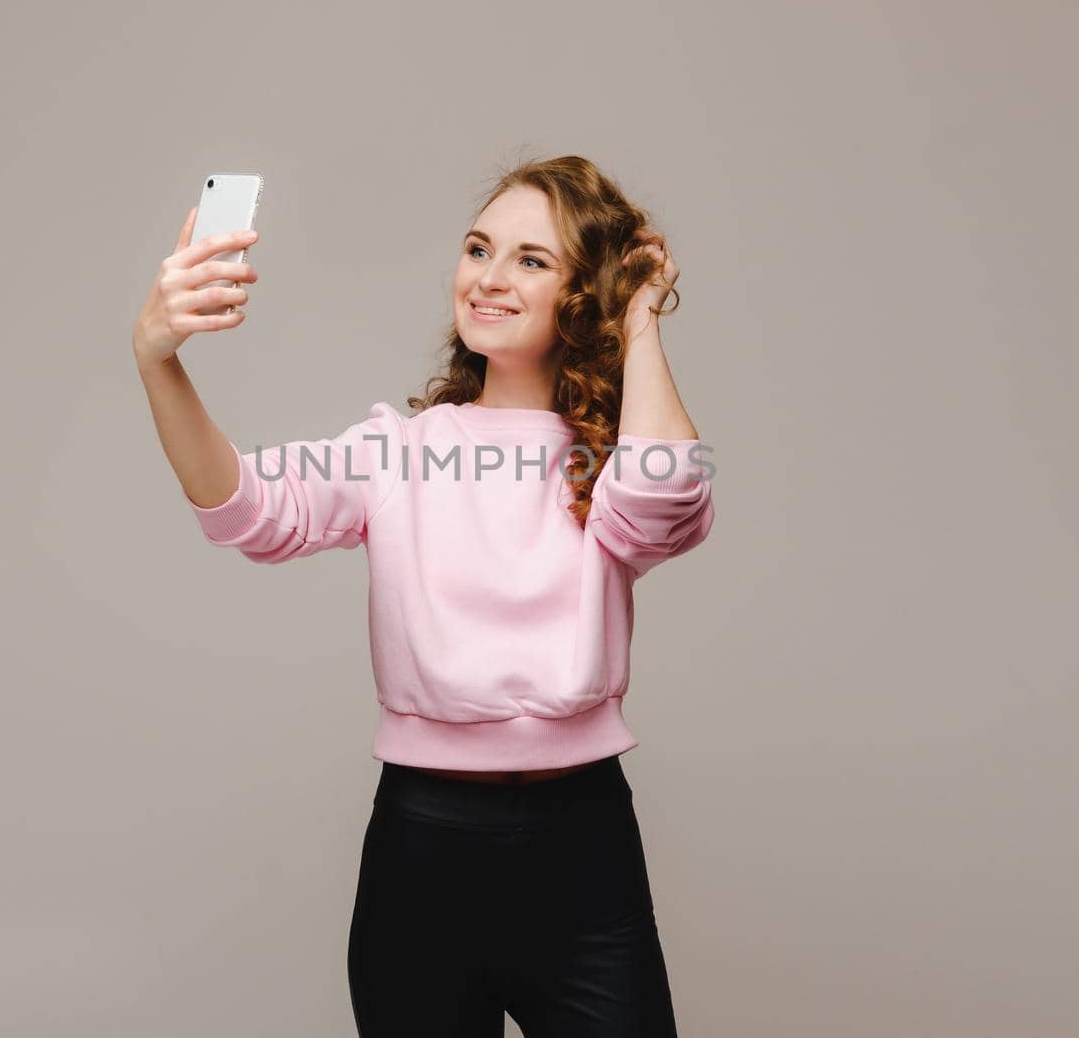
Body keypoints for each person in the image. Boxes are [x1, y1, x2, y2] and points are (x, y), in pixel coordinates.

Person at [133, 154, 715, 1036]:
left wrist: (639, 317)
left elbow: (668, 498)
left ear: (582, 292)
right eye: (479, 247)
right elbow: (248, 511)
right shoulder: (396, 452)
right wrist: (157, 359)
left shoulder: (608, 459)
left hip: (583, 849)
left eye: (531, 259)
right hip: (422, 855)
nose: (488, 277)